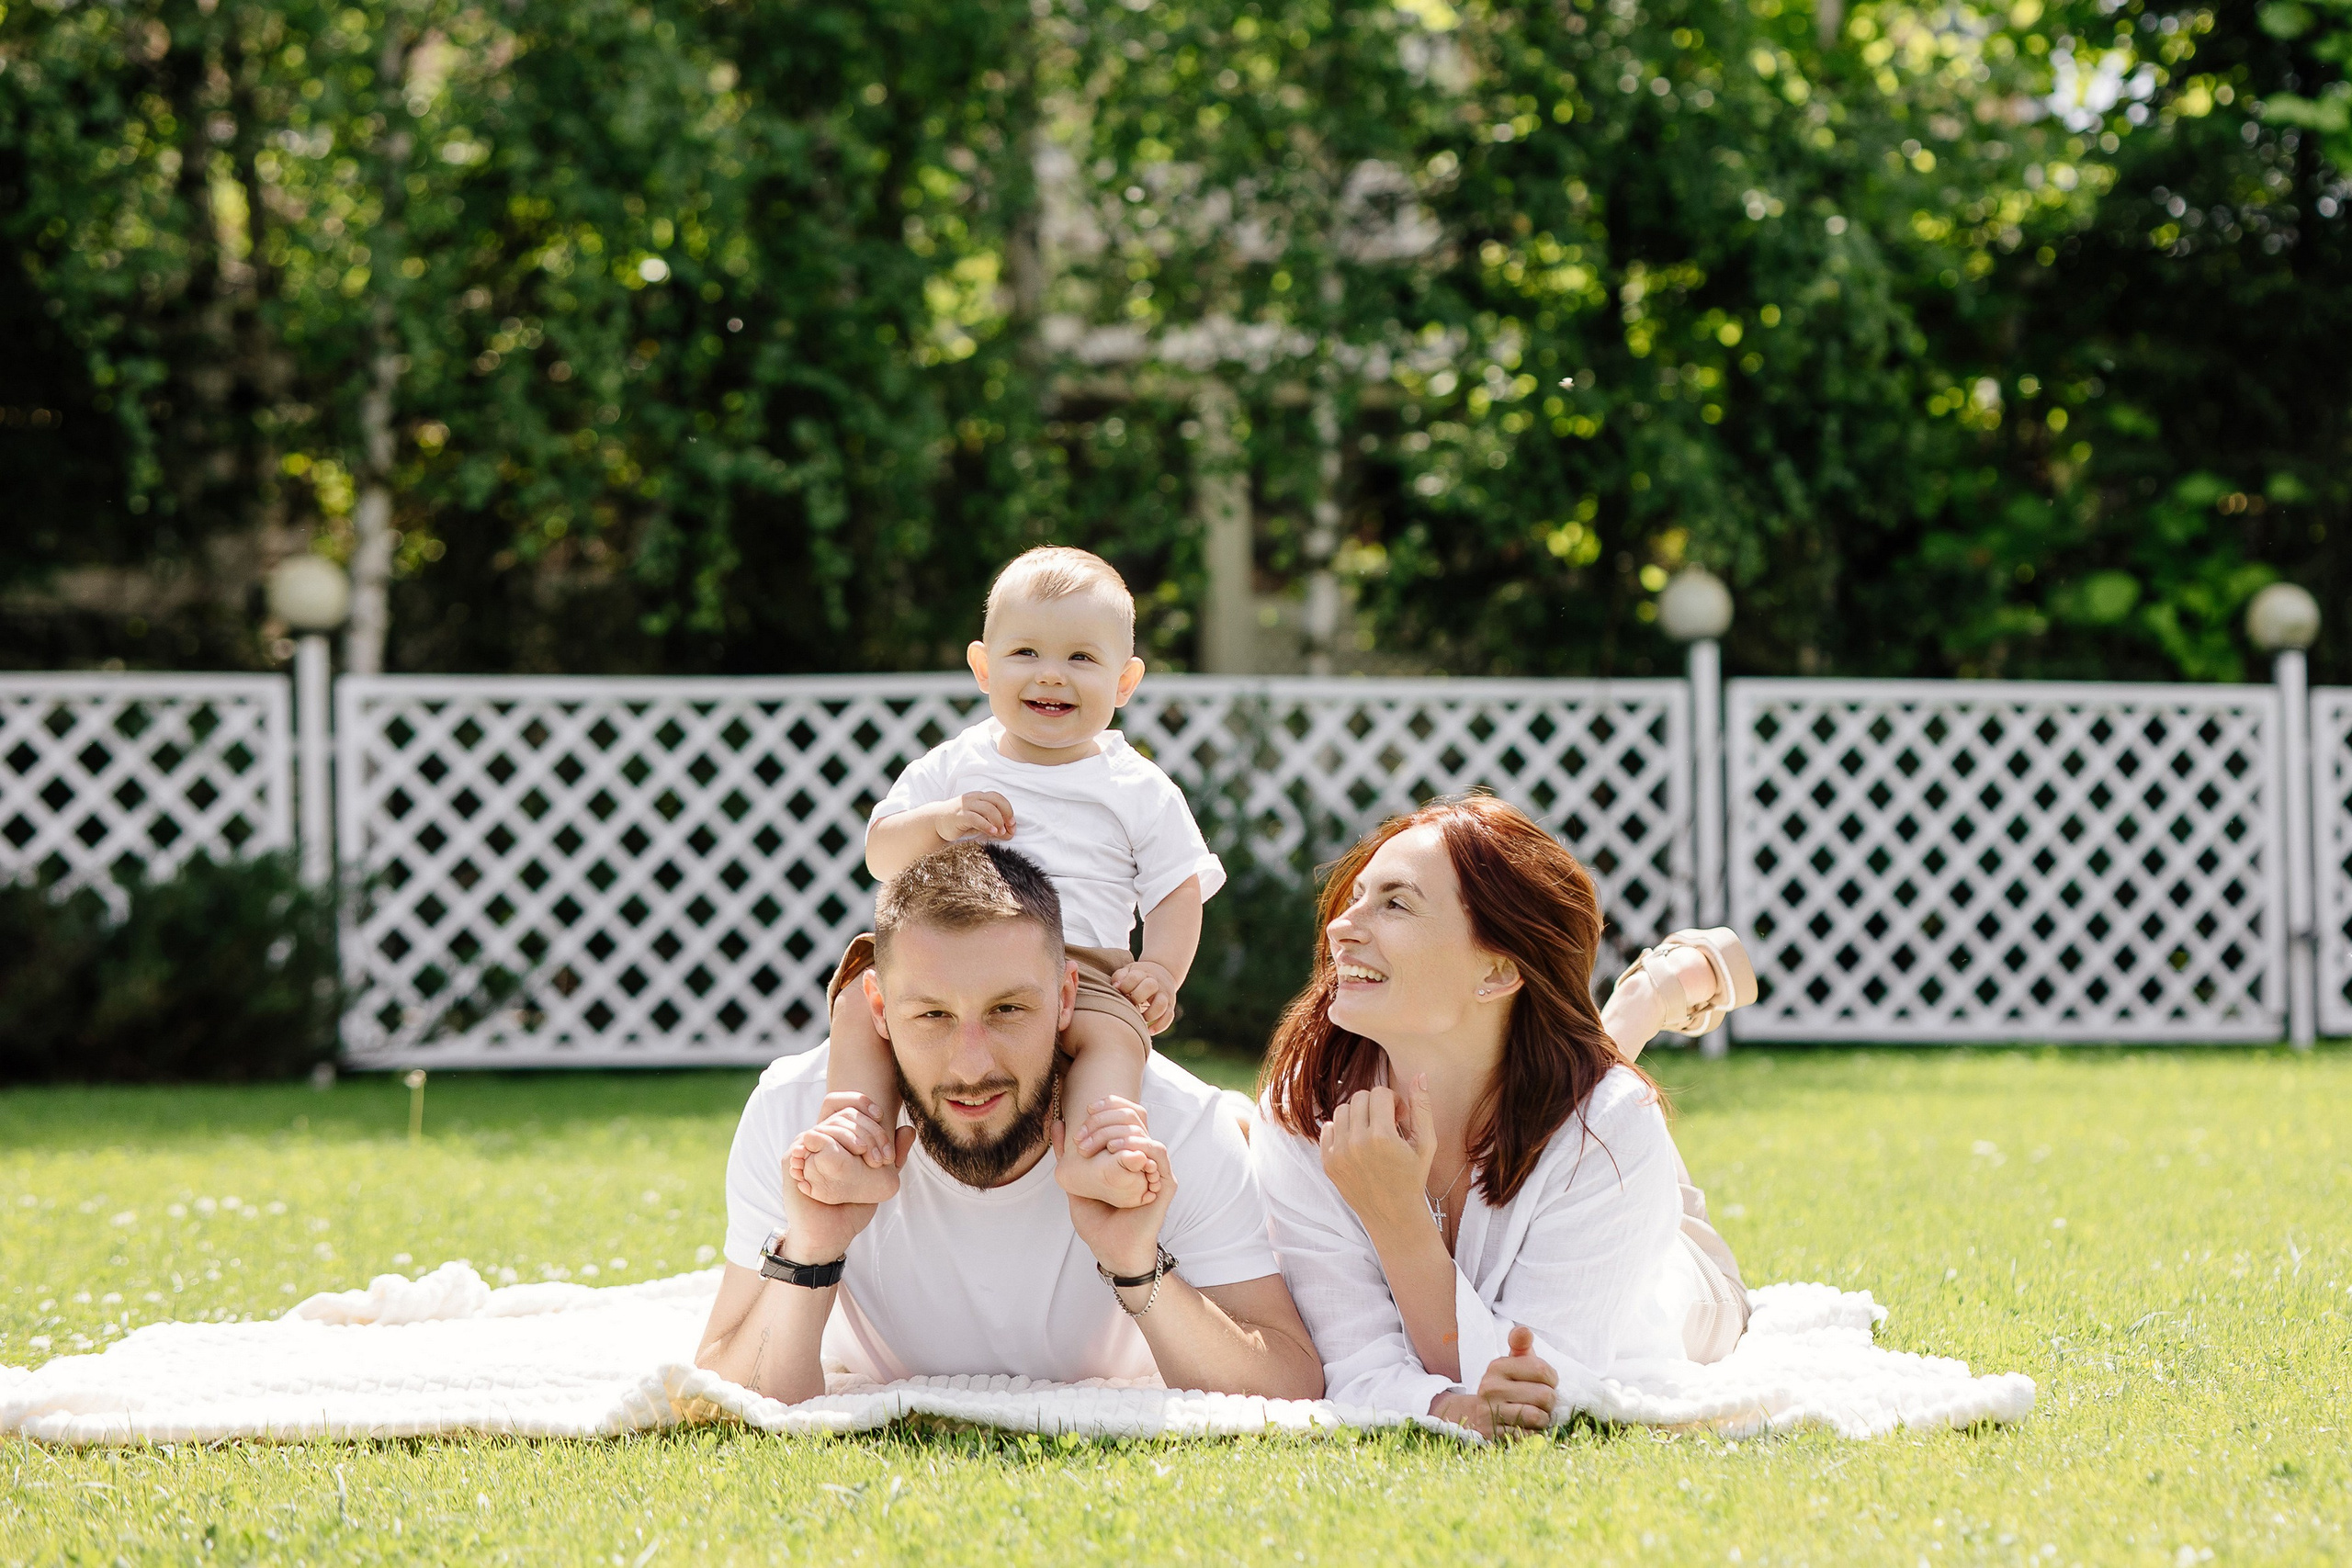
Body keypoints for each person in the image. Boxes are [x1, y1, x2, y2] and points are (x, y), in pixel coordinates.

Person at [694, 840, 1322, 1404]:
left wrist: (1137, 1264)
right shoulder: (796, 1116)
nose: (972, 1064)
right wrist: (811, 1253)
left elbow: (1289, 1381)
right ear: (878, 1006)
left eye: (1008, 1008)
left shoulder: (1172, 1127)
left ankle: (1250, 1132)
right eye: (933, 1015)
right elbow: (727, 1388)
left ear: (1067, 997)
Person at [1253, 795, 1753, 1438]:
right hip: (1542, 1093)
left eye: (1395, 902)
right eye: (1355, 897)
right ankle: (1620, 1022)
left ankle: (1645, 1001)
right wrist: (1449, 1410)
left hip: (1665, 1275)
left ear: (1496, 969)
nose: (1341, 927)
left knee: (1589, 1099)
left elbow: (1543, 1376)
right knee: (1574, 1081)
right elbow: (1352, 1363)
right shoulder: (1305, 1107)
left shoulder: (1611, 1125)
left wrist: (1396, 1219)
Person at [797, 546, 1224, 1211]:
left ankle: (1101, 1146)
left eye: (1081, 657)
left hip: (1083, 967)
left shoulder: (1136, 786)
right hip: (945, 966)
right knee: (860, 999)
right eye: (1026, 653)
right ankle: (855, 1130)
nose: (1051, 675)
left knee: (1111, 1037)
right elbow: (881, 852)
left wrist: (1162, 969)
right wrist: (939, 822)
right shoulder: (953, 765)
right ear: (983, 667)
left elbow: (1177, 888)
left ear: (1125, 682)